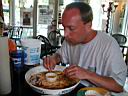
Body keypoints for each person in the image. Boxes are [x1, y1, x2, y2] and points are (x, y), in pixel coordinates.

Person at [43, 2, 127, 95]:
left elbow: (118, 86)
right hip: (77, 89)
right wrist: (54, 58)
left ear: (88, 25)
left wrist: (87, 74)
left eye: (71, 28)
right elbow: (60, 55)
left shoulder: (109, 45)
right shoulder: (69, 40)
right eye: (64, 27)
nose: (65, 34)